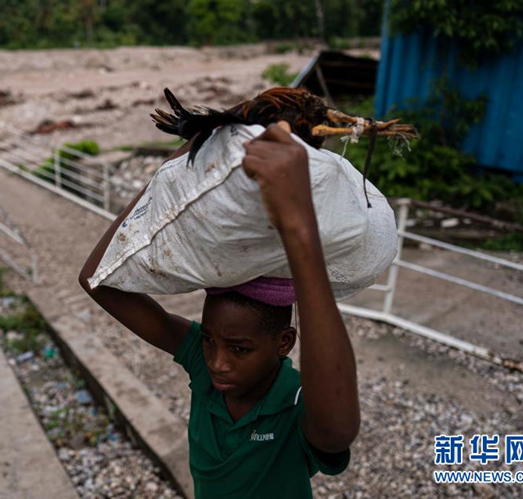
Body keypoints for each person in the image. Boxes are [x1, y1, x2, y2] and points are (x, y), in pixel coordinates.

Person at [79, 122, 359, 498]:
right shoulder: (202, 362)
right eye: (209, 340)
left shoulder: (295, 401)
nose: (217, 362)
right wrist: (170, 177)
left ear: (284, 342)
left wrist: (298, 227)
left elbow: (338, 431)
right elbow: (96, 281)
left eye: (239, 348)